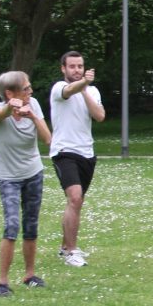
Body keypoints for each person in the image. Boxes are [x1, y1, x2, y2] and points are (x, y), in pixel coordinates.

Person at [0, 71, 52, 296]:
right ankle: (3, 282)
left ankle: (29, 275)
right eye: (26, 88)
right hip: (8, 178)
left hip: (33, 173)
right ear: (10, 92)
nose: (31, 91)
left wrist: (33, 116)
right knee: (11, 226)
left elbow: (48, 139)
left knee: (31, 225)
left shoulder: (33, 104)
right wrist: (11, 107)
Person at [50, 51, 105, 267]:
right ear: (63, 69)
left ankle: (65, 247)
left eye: (80, 66)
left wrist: (85, 88)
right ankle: (72, 252)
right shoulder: (58, 88)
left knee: (77, 202)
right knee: (74, 198)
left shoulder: (91, 90)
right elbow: (69, 90)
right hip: (64, 151)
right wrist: (81, 84)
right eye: (72, 66)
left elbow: (99, 116)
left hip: (87, 153)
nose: (76, 70)